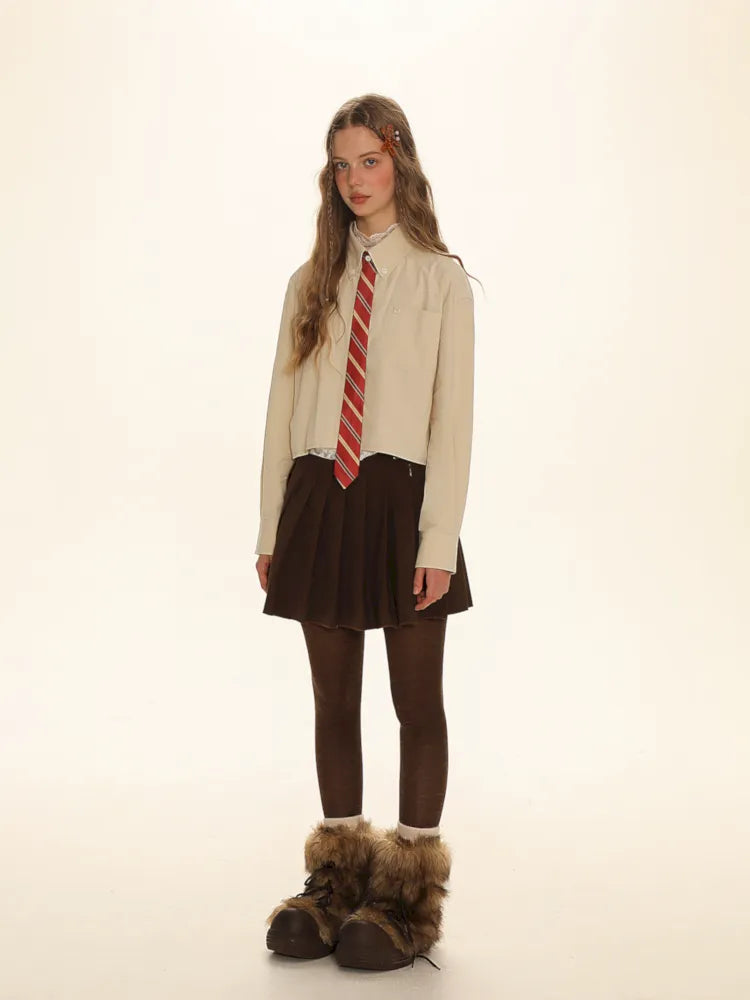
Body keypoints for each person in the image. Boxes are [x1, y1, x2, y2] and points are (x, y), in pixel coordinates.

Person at [255, 94, 478, 972]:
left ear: (401, 163)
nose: (355, 179)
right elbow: (280, 411)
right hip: (319, 495)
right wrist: (272, 527)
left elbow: (452, 421)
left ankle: (408, 896)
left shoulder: (439, 280)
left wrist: (437, 540)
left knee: (415, 702)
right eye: (341, 165)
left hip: (401, 500)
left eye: (370, 162)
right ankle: (339, 879)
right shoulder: (310, 281)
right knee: (333, 701)